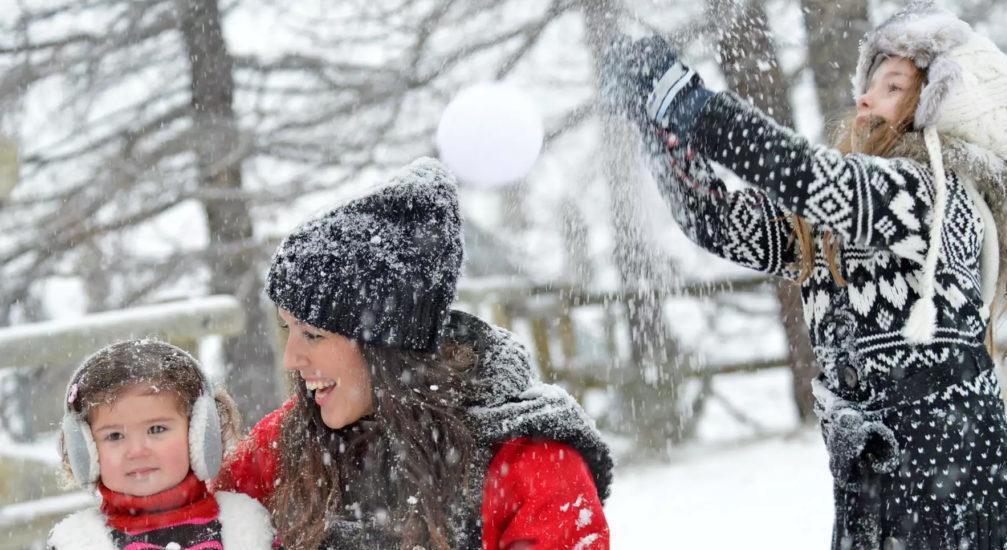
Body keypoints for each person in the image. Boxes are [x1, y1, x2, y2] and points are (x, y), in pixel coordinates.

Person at [603, 2, 1007, 548]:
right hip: (872, 506)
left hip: (961, 504)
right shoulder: (837, 228)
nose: (864, 98)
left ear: (939, 106)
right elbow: (717, 221)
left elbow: (807, 175)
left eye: (892, 86)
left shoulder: (939, 198)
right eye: (870, 84)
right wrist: (658, 126)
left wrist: (685, 99)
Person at [214, 157, 612, 550]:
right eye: (289, 329)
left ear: (385, 346)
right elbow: (183, 518)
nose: (291, 359)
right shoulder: (289, 443)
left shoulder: (530, 464)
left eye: (314, 335)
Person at [48, 339, 275, 549]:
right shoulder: (77, 542)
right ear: (85, 450)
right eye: (115, 436)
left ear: (200, 434)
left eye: (156, 429)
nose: (136, 451)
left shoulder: (246, 528)